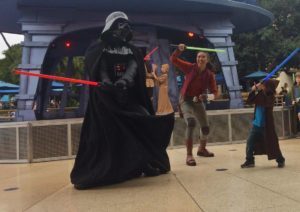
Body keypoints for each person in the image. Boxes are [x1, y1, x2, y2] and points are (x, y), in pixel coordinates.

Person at [70, 11, 175, 189]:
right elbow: (99, 67)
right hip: (106, 100)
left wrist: (125, 81)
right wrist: (107, 83)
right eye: (119, 24)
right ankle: (106, 170)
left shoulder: (132, 50)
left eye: (126, 25)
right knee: (107, 132)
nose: (124, 28)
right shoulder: (98, 48)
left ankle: (145, 162)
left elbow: (134, 67)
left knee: (141, 123)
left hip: (128, 96)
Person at [170, 43, 218, 166]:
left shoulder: (209, 74)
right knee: (191, 123)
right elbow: (173, 59)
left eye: (203, 57)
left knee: (205, 128)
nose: (200, 59)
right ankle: (189, 155)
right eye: (198, 57)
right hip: (185, 100)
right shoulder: (190, 67)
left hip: (198, 101)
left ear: (207, 60)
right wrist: (178, 50)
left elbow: (215, 93)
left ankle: (201, 149)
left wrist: (206, 96)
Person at [241, 79, 285, 168]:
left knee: (272, 143)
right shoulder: (261, 94)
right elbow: (250, 101)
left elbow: (264, 101)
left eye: (264, 85)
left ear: (268, 87)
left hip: (267, 126)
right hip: (256, 125)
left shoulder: (270, 96)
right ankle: (249, 160)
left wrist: (257, 88)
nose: (262, 86)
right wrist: (254, 90)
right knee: (250, 142)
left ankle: (280, 159)